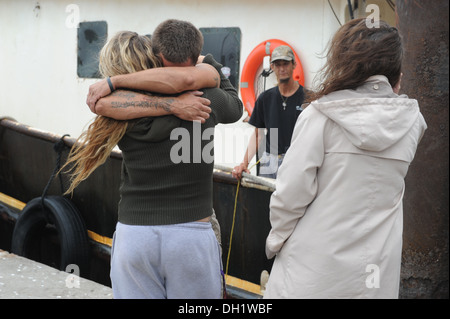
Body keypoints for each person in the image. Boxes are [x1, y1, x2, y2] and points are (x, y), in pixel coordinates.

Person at [63, 23, 243, 299]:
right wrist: (207, 62)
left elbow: (98, 102)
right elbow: (235, 105)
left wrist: (116, 83)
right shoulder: (206, 101)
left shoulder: (118, 110)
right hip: (191, 236)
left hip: (135, 237)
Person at [263, 18, 427, 299]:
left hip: (312, 274)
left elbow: (290, 196)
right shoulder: (413, 123)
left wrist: (275, 243)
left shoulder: (320, 116)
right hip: (375, 277)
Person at [232, 45, 305, 180]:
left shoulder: (308, 98)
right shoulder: (265, 98)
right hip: (269, 161)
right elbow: (258, 136)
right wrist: (244, 163)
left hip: (297, 161)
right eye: (278, 65)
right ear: (272, 67)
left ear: (294, 65)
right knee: (265, 200)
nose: (282, 69)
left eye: (286, 64)